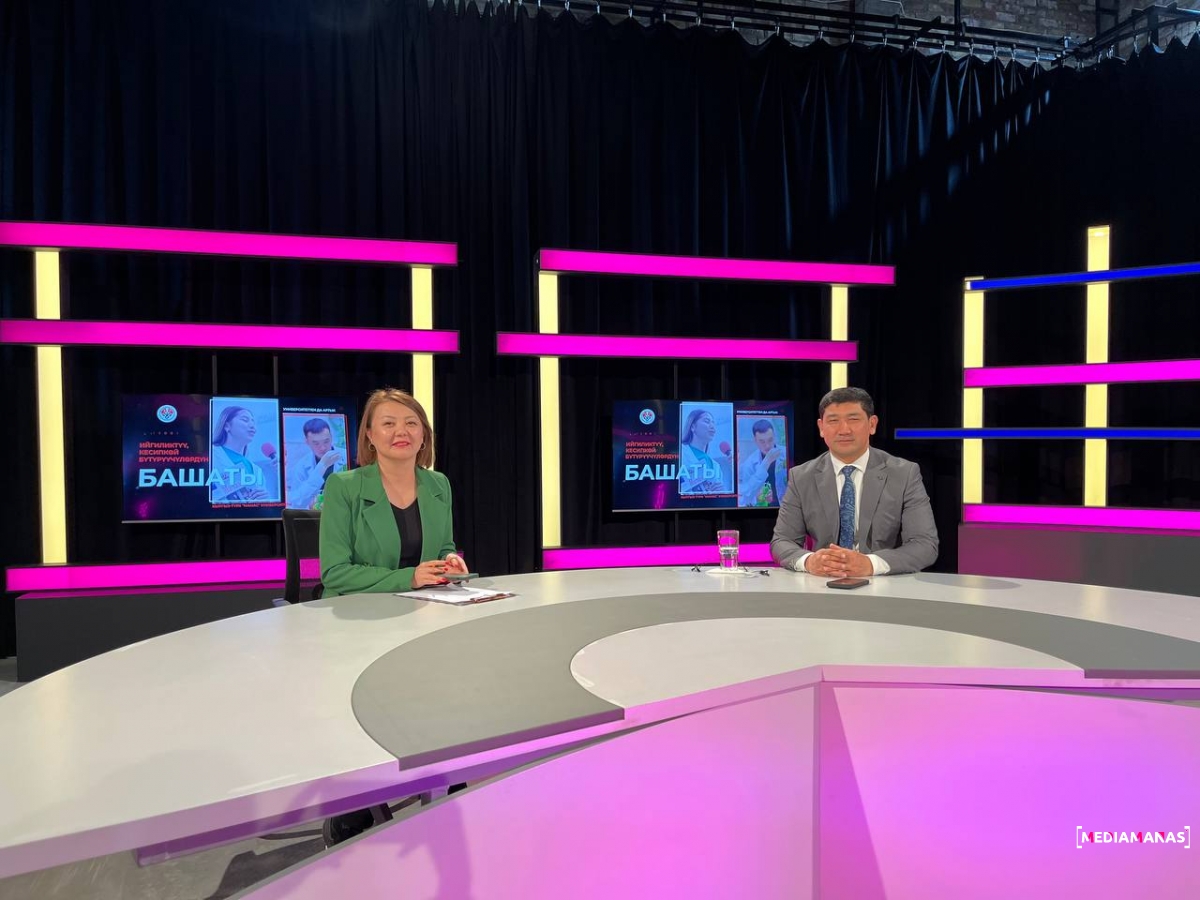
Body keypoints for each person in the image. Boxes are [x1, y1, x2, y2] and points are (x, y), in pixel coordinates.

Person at [770, 387, 938, 576]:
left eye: (853, 419)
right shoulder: (801, 477)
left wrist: (870, 564)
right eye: (833, 421)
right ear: (821, 428)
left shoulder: (904, 474)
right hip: (821, 582)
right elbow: (782, 541)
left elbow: (925, 545)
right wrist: (810, 561)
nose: (844, 430)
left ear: (872, 424)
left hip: (882, 583)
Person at [319, 388, 467, 596]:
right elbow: (334, 572)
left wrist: (450, 562)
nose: (401, 431)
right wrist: (410, 578)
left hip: (424, 603)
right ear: (370, 435)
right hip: (357, 607)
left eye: (411, 423)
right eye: (389, 424)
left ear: (423, 434)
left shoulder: (439, 484)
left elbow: (443, 548)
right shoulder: (343, 486)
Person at [210, 406, 277, 503]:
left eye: (253, 422)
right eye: (245, 420)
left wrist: (264, 501)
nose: (253, 426)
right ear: (227, 426)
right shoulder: (210, 456)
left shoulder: (257, 470)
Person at [285, 417, 346, 509]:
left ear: (331, 437)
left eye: (326, 441)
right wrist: (321, 467)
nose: (323, 448)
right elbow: (296, 503)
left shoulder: (346, 456)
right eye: (316, 443)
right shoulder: (301, 466)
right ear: (307, 442)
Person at [678, 408, 730, 494]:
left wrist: (721, 492)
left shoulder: (715, 466)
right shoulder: (680, 452)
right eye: (707, 421)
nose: (712, 426)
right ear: (693, 427)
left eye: (713, 423)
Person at [738, 418, 788, 507]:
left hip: (787, 509)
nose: (767, 445)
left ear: (774, 437)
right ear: (755, 440)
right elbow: (746, 497)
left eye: (770, 440)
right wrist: (757, 497)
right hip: (762, 511)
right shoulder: (749, 464)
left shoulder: (786, 453)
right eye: (762, 441)